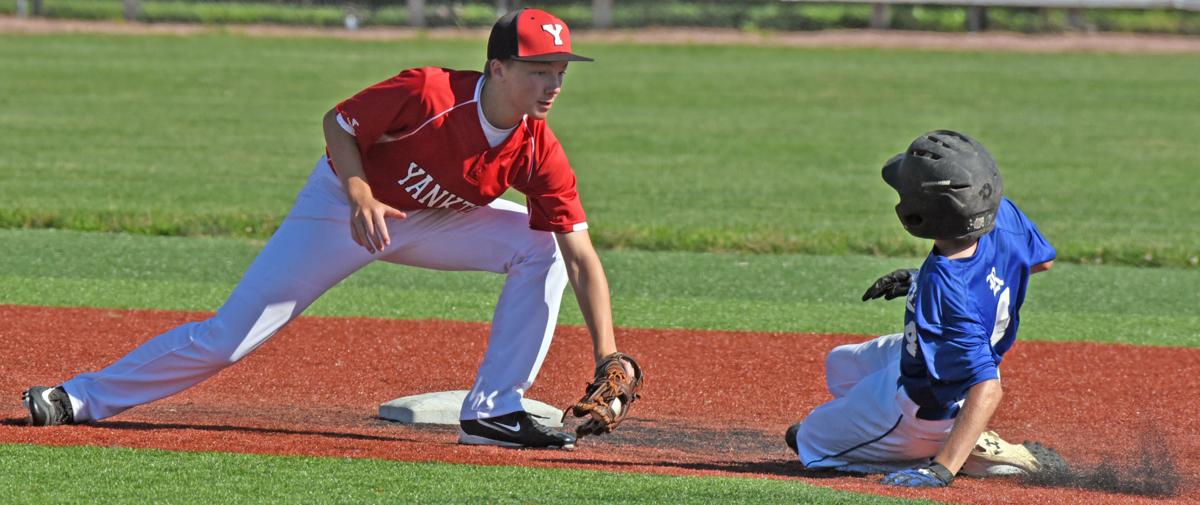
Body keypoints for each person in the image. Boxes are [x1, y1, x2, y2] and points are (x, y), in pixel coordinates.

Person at [23, 7, 633, 451]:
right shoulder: (430, 92)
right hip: (343, 208)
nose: (553, 84)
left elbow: (580, 256)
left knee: (541, 245)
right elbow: (339, 123)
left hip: (430, 220)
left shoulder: (538, 148)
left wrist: (607, 355)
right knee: (229, 338)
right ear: (497, 68)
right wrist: (360, 192)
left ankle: (493, 412)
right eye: (538, 69)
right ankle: (77, 397)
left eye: (560, 71)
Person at [784, 130, 1057, 487]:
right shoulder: (1002, 214)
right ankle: (954, 435)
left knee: (808, 439)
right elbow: (1040, 262)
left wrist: (941, 469)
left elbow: (987, 389)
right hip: (930, 359)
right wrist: (921, 281)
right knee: (840, 365)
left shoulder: (945, 286)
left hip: (924, 410)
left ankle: (948, 447)